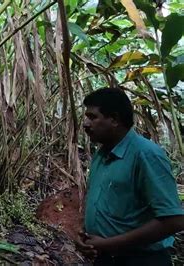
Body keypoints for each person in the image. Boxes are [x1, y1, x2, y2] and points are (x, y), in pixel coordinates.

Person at [77, 87, 184, 265]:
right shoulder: (101, 155)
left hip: (142, 260)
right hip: (105, 257)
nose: (86, 124)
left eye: (93, 117)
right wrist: (84, 234)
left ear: (114, 119)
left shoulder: (146, 155)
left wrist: (109, 244)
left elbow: (174, 220)